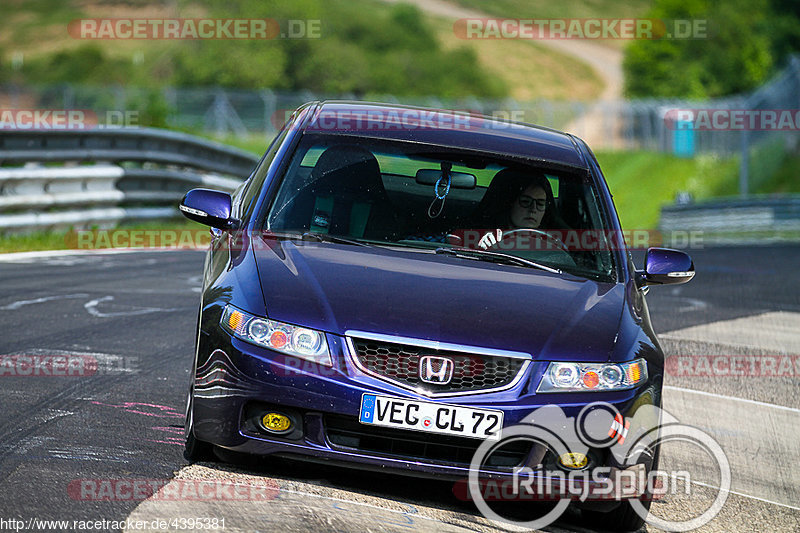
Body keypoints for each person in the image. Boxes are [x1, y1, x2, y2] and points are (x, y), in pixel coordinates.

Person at [473, 168, 567, 250]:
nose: (533, 209)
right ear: (509, 203)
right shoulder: (482, 238)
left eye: (540, 203)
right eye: (525, 202)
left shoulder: (555, 243)